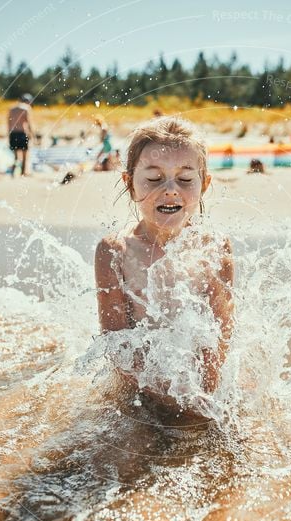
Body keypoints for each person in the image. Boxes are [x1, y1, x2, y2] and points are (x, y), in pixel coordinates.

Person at [94, 117, 233, 424]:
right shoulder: (115, 251)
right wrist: (173, 396)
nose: (170, 190)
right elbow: (116, 345)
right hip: (137, 393)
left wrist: (204, 395)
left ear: (204, 184)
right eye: (154, 179)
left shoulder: (214, 248)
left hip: (200, 390)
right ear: (129, 184)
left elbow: (221, 337)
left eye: (185, 179)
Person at [8, 94, 35, 176]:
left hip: (13, 133)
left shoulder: (12, 109)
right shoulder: (26, 108)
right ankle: (23, 173)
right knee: (25, 155)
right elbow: (28, 122)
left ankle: (13, 172)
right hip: (22, 133)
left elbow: (9, 123)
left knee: (16, 156)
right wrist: (32, 134)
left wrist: (9, 134)